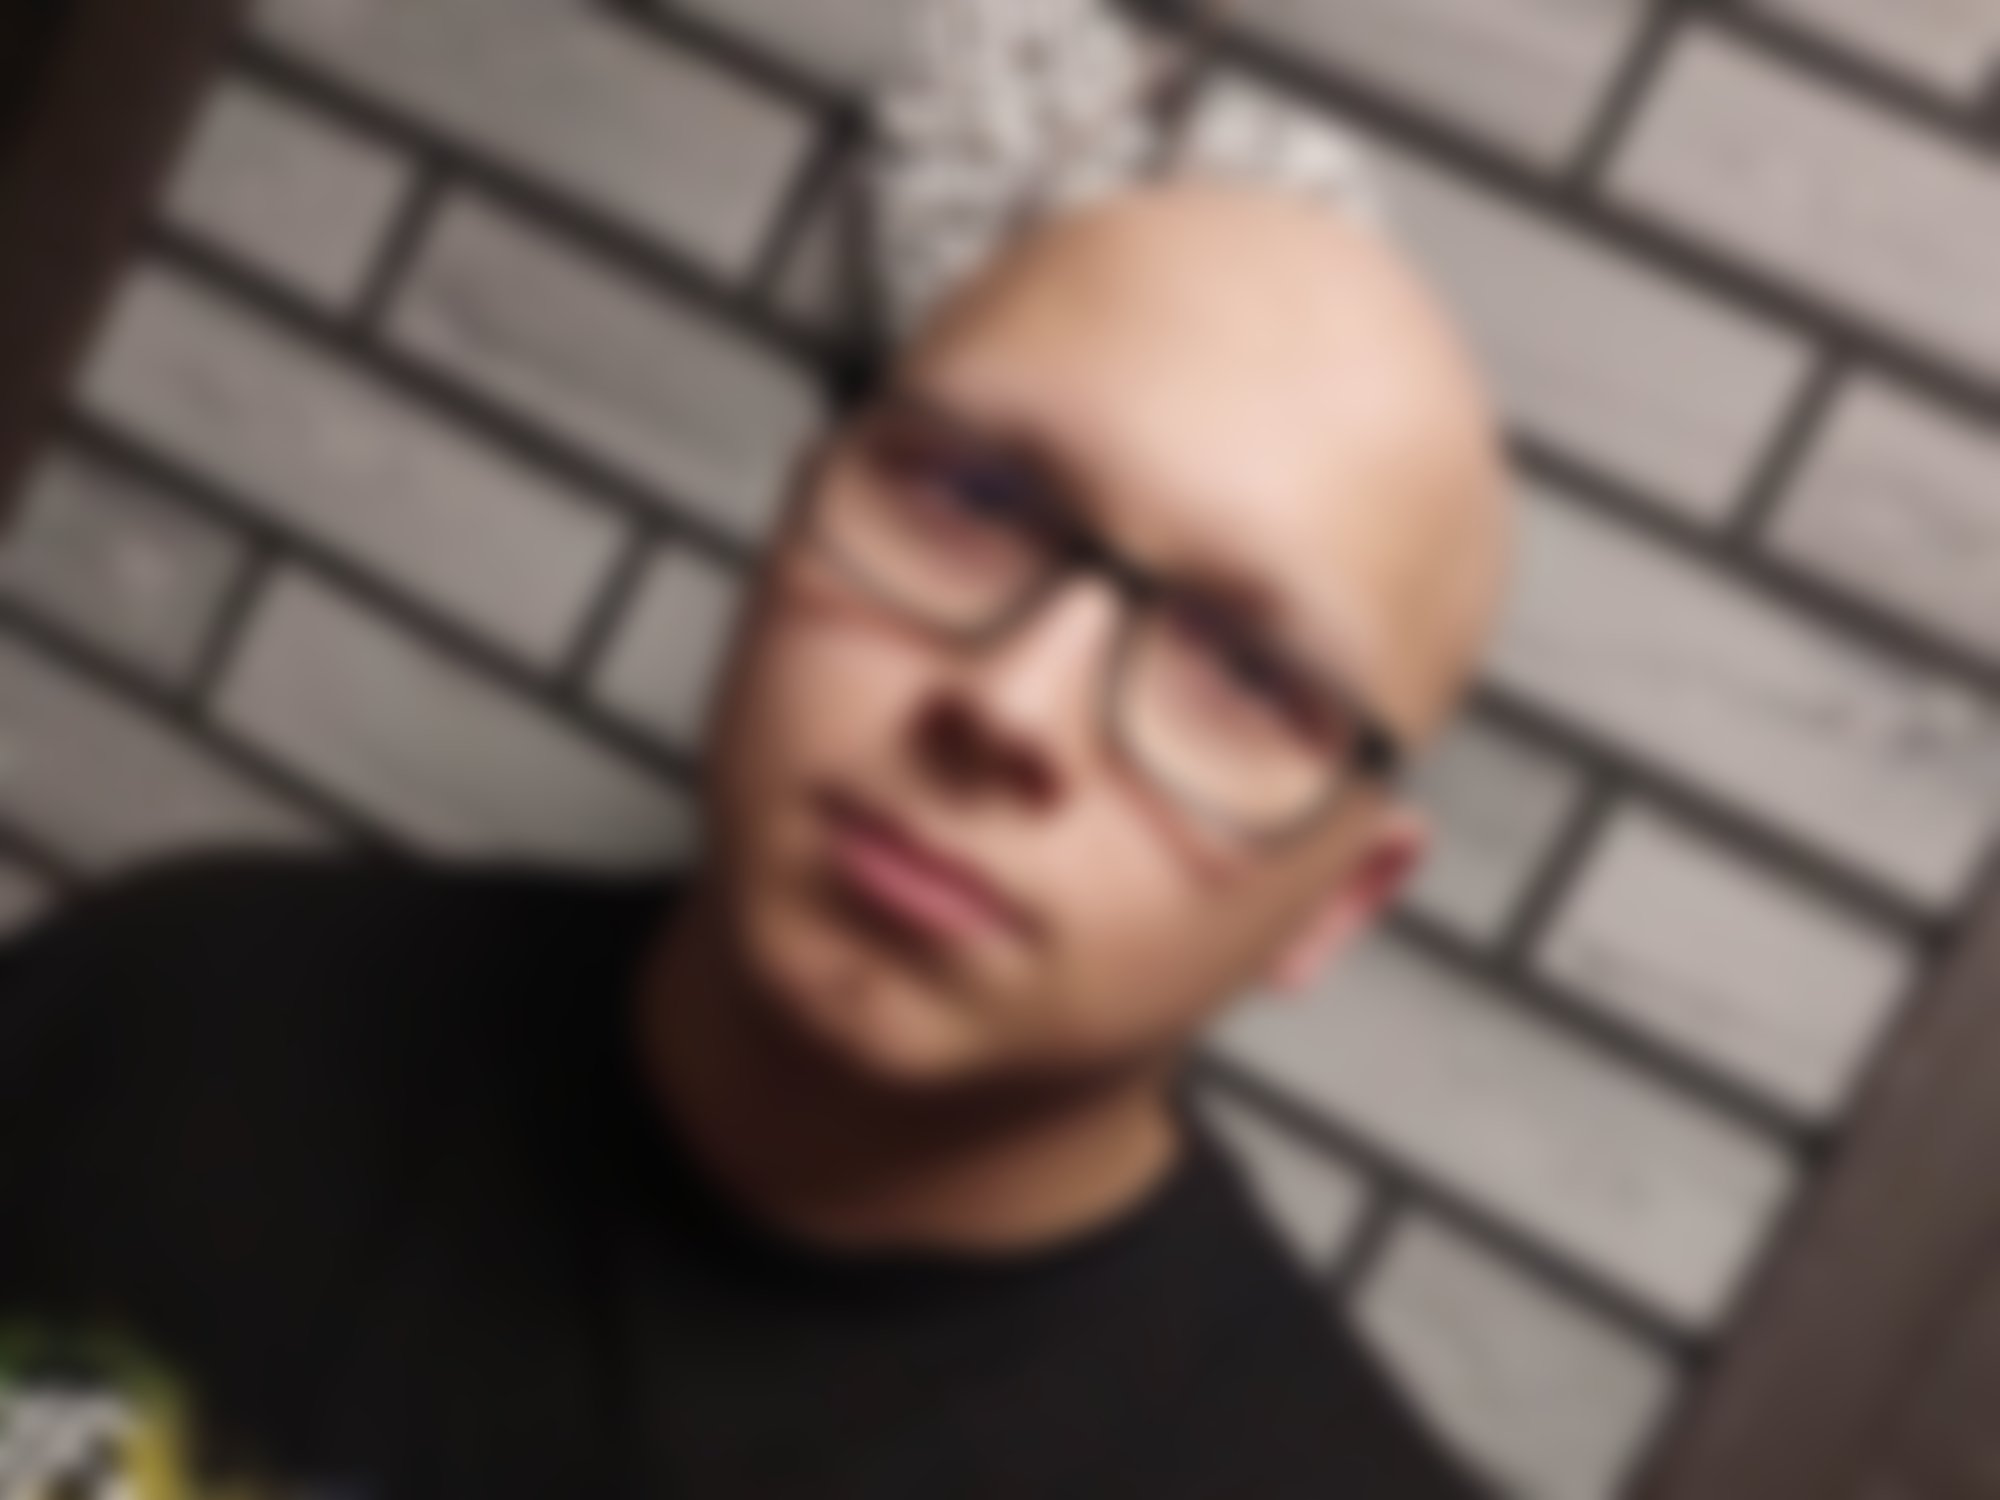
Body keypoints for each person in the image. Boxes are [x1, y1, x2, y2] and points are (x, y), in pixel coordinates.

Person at [0, 177, 1511, 1498]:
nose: (1012, 703)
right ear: (795, 506)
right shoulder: (161, 1021)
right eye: (971, 496)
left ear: (1341, 901)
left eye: (1246, 673)